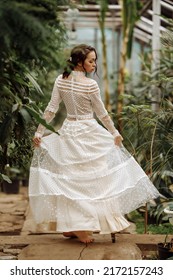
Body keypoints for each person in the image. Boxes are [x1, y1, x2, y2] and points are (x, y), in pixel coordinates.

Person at [29, 44, 160, 244]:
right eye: (91, 60)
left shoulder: (61, 80)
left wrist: (39, 131)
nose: (94, 64)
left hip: (70, 131)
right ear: (79, 62)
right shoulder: (90, 85)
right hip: (87, 131)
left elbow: (51, 109)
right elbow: (101, 113)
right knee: (92, 180)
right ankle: (82, 228)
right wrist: (114, 132)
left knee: (71, 179)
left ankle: (74, 226)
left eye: (95, 60)